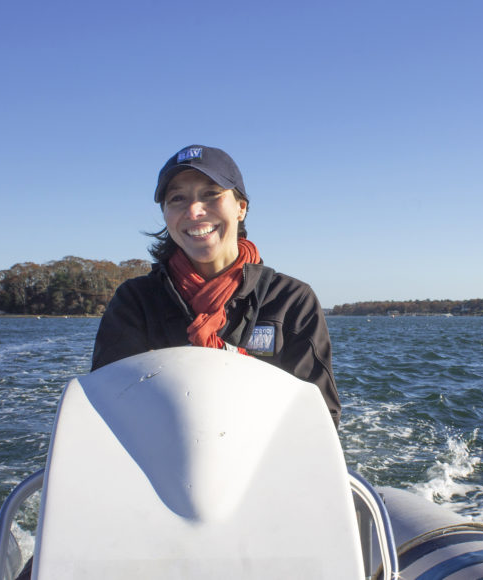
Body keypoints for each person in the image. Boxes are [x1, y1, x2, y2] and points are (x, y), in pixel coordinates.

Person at [91, 144, 340, 427]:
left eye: (211, 194)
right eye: (177, 198)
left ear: (241, 208)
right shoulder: (136, 302)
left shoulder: (291, 300)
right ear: (165, 215)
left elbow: (320, 415)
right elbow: (107, 406)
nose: (194, 210)